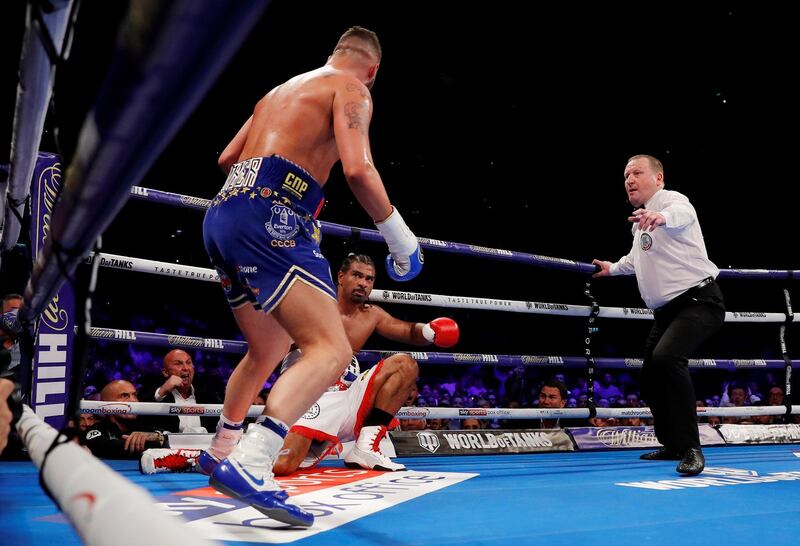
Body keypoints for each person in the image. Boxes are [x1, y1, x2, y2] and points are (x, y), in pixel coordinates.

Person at [200, 26, 424, 527]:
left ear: (333, 53)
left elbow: (227, 159)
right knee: (331, 349)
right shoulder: (352, 89)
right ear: (373, 70)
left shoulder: (279, 92)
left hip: (222, 214)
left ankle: (220, 450)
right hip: (272, 215)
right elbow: (359, 169)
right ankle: (253, 463)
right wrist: (399, 235)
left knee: (267, 351)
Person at [262, 253, 457, 475]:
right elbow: (274, 340)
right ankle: (245, 450)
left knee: (405, 364)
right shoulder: (313, 305)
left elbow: (405, 330)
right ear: (341, 276)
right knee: (282, 466)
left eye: (369, 279)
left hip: (349, 397)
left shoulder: (370, 315)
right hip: (311, 395)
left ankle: (366, 447)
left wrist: (430, 331)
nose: (363, 283)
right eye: (357, 275)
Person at [592, 154, 725, 476]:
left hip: (698, 301)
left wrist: (662, 217)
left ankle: (693, 448)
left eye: (637, 172)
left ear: (659, 178)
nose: (629, 180)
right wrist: (612, 269)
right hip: (666, 313)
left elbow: (681, 214)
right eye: (625, 175)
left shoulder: (671, 201)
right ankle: (674, 444)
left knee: (667, 359)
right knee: (650, 376)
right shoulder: (641, 222)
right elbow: (637, 260)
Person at [137, 349, 220, 433]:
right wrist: (162, 391)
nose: (185, 368)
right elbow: (142, 416)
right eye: (178, 363)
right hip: (170, 445)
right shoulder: (154, 390)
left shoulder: (207, 393)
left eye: (188, 362)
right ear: (165, 372)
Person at [83, 380, 166, 459]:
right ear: (106, 403)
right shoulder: (96, 431)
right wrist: (156, 443)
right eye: (124, 396)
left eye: (135, 395)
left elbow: (171, 439)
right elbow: (110, 448)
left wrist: (158, 437)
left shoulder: (143, 427)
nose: (133, 400)